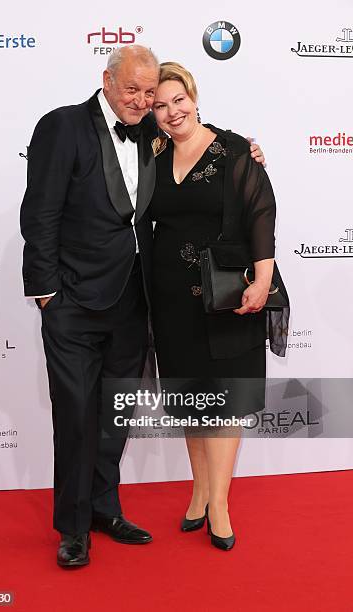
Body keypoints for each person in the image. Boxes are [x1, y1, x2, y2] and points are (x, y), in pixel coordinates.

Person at [20, 46, 265, 568]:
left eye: (148, 92)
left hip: (137, 300)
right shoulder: (63, 127)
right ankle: (74, 527)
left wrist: (247, 153)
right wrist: (46, 292)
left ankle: (106, 509)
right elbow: (39, 211)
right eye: (131, 89)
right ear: (106, 81)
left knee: (115, 415)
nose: (141, 100)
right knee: (78, 414)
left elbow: (200, 152)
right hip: (73, 302)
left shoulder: (154, 138)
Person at [149, 62, 289, 551]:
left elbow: (261, 211)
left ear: (193, 96)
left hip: (228, 294)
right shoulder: (152, 152)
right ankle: (200, 493)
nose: (171, 112)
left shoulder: (233, 150)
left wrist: (264, 279)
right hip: (170, 299)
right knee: (192, 401)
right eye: (160, 105)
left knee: (224, 401)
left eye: (177, 100)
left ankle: (222, 504)